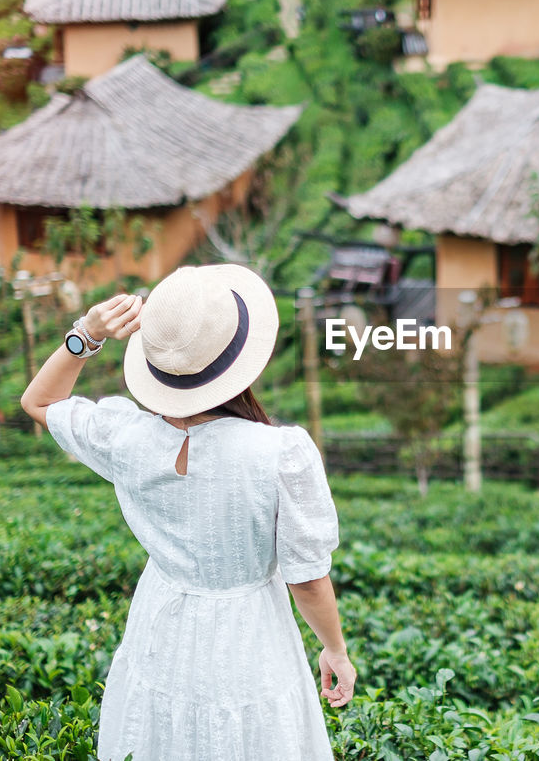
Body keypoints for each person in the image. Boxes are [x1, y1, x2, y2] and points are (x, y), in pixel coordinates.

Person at [21, 265, 355, 761]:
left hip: (162, 627)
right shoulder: (279, 453)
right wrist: (336, 651)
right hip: (250, 634)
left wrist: (86, 334)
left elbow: (39, 400)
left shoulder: (125, 436)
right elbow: (306, 579)